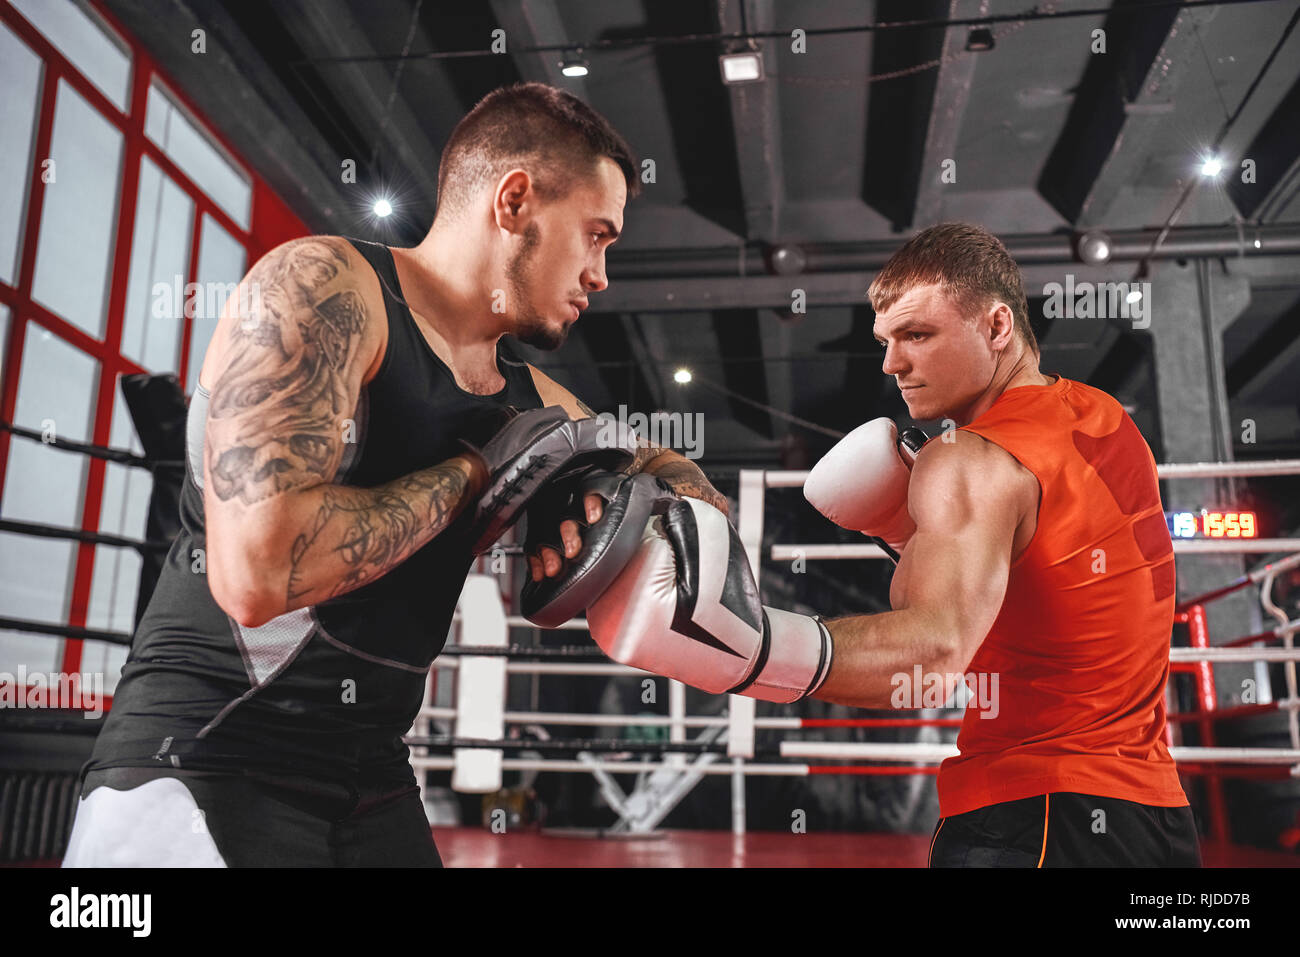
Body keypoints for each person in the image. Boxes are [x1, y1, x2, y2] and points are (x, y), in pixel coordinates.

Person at [63, 82, 726, 868]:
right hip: (204, 754)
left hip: (371, 774)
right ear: (514, 200)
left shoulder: (527, 398)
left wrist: (655, 513)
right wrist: (477, 475)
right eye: (596, 235)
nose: (601, 274)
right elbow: (256, 574)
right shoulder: (323, 289)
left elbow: (656, 459)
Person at [556, 222, 1199, 867]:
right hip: (1153, 817)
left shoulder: (967, 461)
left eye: (917, 334)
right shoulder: (1103, 418)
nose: (892, 364)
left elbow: (937, 651)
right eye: (886, 341)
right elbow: (1049, 589)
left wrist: (752, 649)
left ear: (997, 327)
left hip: (1033, 817)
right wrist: (904, 529)